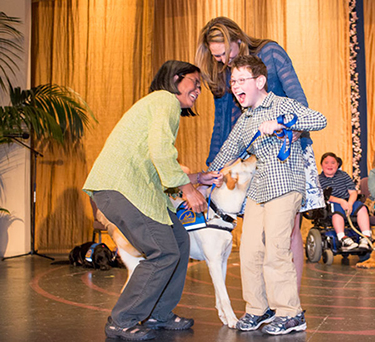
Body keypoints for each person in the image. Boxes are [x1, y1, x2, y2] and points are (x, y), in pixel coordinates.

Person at [83, 60, 223, 341]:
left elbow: (155, 162)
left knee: (179, 240)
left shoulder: (159, 106)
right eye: (194, 82)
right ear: (175, 79)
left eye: (199, 86)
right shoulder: (165, 100)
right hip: (120, 188)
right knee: (164, 251)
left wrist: (195, 178)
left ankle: (160, 313)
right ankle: (122, 320)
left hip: (138, 190)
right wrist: (189, 190)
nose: (198, 89)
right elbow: (161, 153)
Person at [195, 16, 325, 290]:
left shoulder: (270, 53)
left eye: (223, 54)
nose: (220, 61)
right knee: (257, 237)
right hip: (251, 159)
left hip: (287, 153)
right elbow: (222, 127)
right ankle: (263, 304)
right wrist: (213, 168)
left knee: (287, 233)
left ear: (237, 41)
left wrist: (290, 130)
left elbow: (300, 101)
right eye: (215, 57)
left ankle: (290, 307)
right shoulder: (223, 72)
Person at [207, 55, 327, 335]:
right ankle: (258, 309)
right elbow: (228, 150)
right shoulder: (245, 119)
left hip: (285, 185)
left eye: (241, 80)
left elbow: (318, 119)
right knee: (248, 252)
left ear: (259, 81)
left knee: (276, 250)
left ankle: (290, 313)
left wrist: (284, 122)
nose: (235, 86)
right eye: (233, 81)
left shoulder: (281, 104)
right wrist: (206, 178)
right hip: (259, 189)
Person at [318, 152, 372, 251]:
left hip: (348, 201)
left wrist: (350, 203)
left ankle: (366, 236)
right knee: (336, 211)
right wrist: (341, 201)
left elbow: (353, 192)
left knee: (362, 208)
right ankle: (342, 238)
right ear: (321, 165)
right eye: (326, 163)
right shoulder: (318, 179)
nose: (330, 165)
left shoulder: (343, 175)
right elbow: (322, 195)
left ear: (337, 164)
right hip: (332, 202)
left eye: (333, 162)